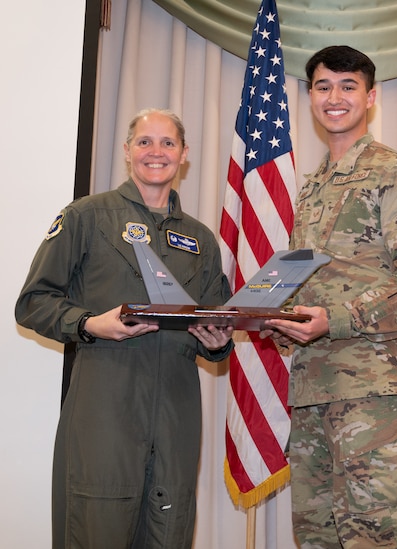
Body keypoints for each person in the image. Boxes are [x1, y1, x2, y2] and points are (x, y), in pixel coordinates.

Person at [15, 108, 234, 548]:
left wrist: (217, 341)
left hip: (176, 411)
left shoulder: (201, 239)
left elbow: (217, 318)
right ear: (127, 150)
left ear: (185, 154)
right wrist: (91, 323)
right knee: (96, 528)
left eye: (168, 143)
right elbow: (32, 303)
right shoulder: (86, 217)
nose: (156, 152)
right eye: (145, 141)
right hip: (105, 407)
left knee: (168, 530)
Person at [261, 45, 397, 548]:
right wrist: (272, 318)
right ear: (311, 96)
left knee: (377, 533)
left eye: (347, 86)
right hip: (314, 386)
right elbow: (303, 282)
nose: (334, 97)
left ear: (371, 97)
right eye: (323, 86)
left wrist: (333, 319)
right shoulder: (313, 187)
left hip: (373, 386)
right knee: (317, 536)